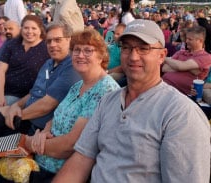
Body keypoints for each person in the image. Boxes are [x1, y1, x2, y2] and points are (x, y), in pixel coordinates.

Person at [53, 19, 210, 183]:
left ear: (162, 56)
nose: (134, 56)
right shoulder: (108, 101)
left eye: (143, 48)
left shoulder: (181, 114)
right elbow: (81, 159)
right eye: (127, 48)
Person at [0, 22, 81, 183]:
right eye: (49, 41)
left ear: (69, 40)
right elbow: (33, 93)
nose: (52, 45)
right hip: (24, 116)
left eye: (58, 40)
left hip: (34, 127)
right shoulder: (49, 63)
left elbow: (46, 105)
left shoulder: (71, 68)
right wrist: (16, 106)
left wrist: (18, 114)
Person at [0, 15, 50, 121]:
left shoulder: (46, 49)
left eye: (34, 28)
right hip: (1, 85)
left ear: (40, 30)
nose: (29, 31)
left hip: (20, 93)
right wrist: (0, 95)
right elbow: (1, 69)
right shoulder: (13, 43)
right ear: (21, 29)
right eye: (26, 28)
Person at [162, 26, 211, 95]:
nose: (186, 41)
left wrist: (165, 58)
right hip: (163, 86)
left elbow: (181, 66)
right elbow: (164, 68)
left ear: (200, 41)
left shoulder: (206, 56)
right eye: (186, 38)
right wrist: (187, 68)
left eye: (190, 39)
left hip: (179, 93)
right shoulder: (181, 52)